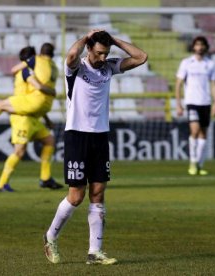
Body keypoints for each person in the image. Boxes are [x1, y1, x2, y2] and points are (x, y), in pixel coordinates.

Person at [43, 30, 147, 265]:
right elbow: (71, 54)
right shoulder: (76, 68)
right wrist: (86, 36)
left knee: (98, 193)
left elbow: (141, 57)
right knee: (76, 196)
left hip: (100, 136)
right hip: (77, 136)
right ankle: (50, 237)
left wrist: (114, 41)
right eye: (99, 53)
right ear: (89, 49)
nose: (102, 58)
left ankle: (95, 252)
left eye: (106, 53)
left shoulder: (109, 67)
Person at [0, 46, 63, 192]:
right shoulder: (26, 72)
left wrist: (46, 118)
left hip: (32, 116)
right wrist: (50, 91)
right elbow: (30, 98)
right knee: (19, 151)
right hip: (23, 117)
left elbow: (35, 101)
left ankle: (45, 178)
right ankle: (2, 184)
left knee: (49, 140)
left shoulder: (30, 72)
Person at [0, 43, 58, 135]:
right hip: (36, 108)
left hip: (24, 113)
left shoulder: (27, 69)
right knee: (47, 142)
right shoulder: (54, 67)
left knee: (0, 105)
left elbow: (35, 95)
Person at [175, 36, 215, 176]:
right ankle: (193, 162)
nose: (199, 47)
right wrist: (178, 104)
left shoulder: (210, 64)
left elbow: (214, 84)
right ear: (193, 47)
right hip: (192, 102)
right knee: (194, 131)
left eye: (202, 45)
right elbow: (178, 84)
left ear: (205, 47)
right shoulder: (187, 63)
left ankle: (200, 164)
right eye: (197, 45)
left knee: (203, 133)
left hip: (205, 102)